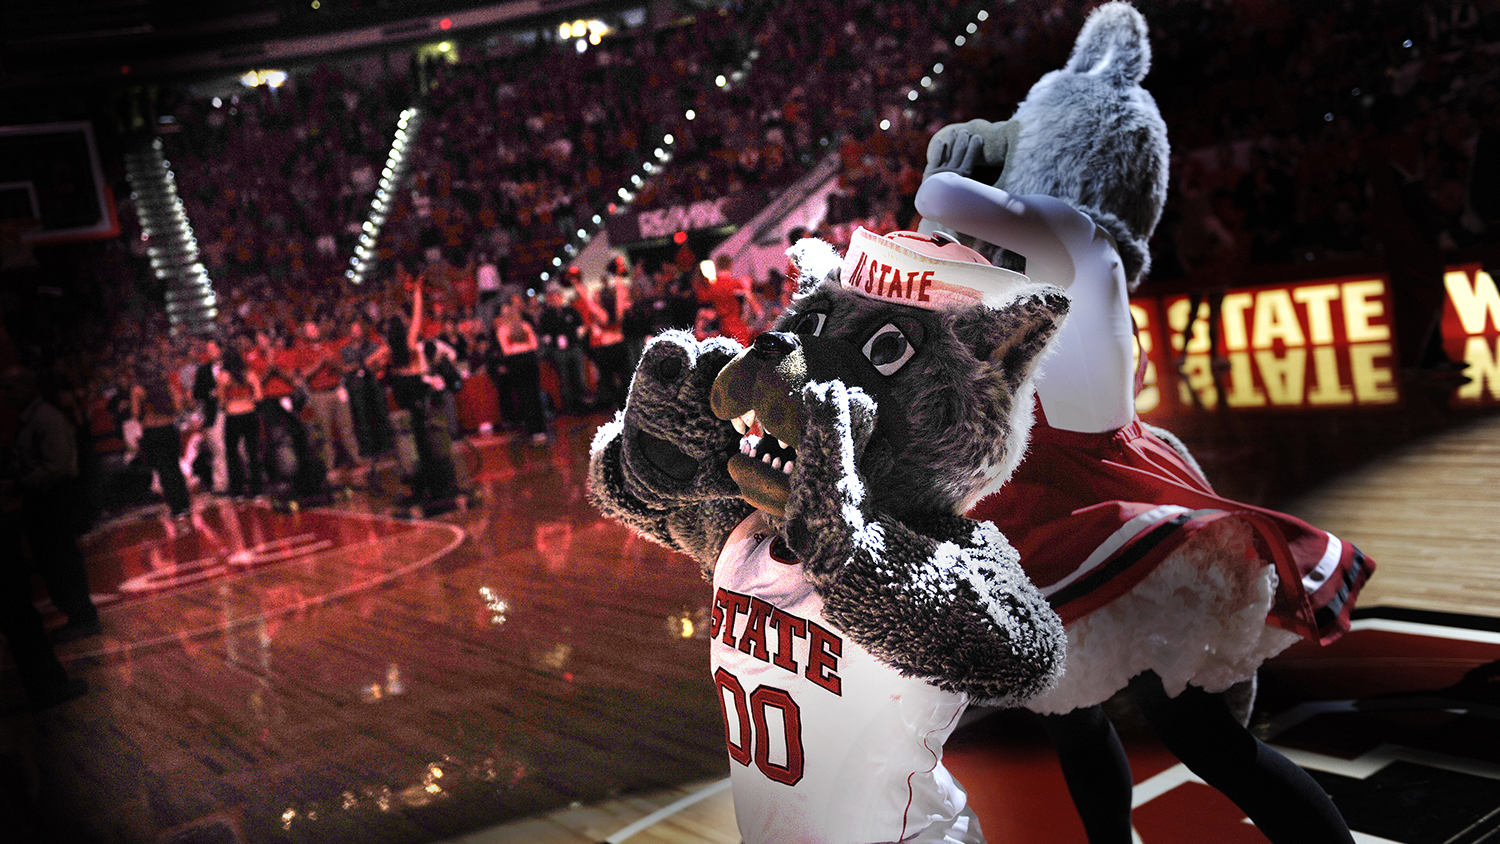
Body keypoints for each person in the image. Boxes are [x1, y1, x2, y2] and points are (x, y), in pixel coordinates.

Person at [918, 148, 1368, 844]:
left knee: (1199, 738)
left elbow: (941, 194)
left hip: (1111, 506)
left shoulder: (1075, 245)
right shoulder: (1000, 276)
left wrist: (969, 156)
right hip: (1040, 507)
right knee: (1079, 723)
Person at [0, 365, 101, 644]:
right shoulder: (31, 418)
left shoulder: (45, 418)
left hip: (53, 499)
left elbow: (57, 467)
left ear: (27, 386)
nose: (5, 395)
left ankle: (83, 616)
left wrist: (20, 482)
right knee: (53, 562)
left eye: (10, 387)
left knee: (62, 560)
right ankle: (76, 615)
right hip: (44, 500)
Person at [130, 363, 192, 518]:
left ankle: (176, 508)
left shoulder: (138, 390)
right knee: (175, 467)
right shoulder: (168, 386)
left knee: (163, 471)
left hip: (152, 432)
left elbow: (136, 414)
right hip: (170, 428)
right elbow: (178, 408)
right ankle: (185, 504)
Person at [494, 294, 547, 443]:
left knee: (524, 396)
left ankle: (532, 429)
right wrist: (524, 346)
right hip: (529, 360)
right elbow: (534, 345)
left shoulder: (502, 330)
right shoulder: (526, 326)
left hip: (516, 363)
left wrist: (516, 347)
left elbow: (506, 350)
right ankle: (540, 429)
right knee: (534, 394)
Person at [218, 345, 264, 500]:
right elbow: (258, 397)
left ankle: (237, 491)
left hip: (233, 416)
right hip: (250, 414)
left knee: (232, 454)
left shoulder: (223, 377)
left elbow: (222, 402)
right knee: (253, 452)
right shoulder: (250, 374)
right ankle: (257, 490)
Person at [536, 281, 589, 413]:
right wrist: (554, 342)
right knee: (563, 377)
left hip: (574, 346)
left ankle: (582, 400)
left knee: (579, 374)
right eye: (552, 297)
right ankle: (568, 405)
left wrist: (574, 338)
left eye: (557, 296)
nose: (555, 299)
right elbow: (544, 335)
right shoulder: (546, 316)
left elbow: (581, 328)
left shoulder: (571, 311)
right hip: (558, 350)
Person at [692, 254, 762, 346]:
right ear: (730, 265)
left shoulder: (713, 286)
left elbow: (701, 299)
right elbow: (756, 309)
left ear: (717, 266)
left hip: (723, 328)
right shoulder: (737, 284)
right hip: (738, 327)